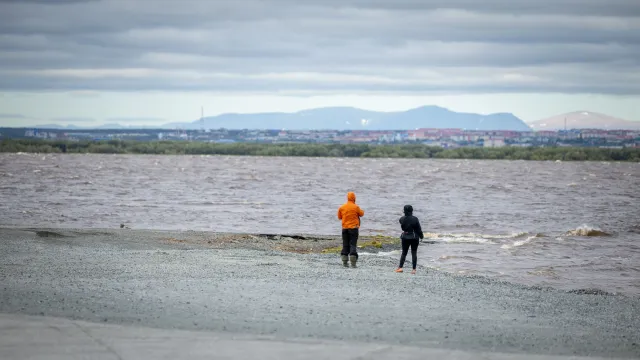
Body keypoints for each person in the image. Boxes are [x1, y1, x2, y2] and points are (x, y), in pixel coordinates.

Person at [337, 192, 364, 268]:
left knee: (345, 244)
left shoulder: (342, 207)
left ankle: (345, 262)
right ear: (354, 198)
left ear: (347, 198)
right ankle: (353, 263)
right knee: (353, 244)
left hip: (345, 228)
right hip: (353, 228)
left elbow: (339, 217)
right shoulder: (356, 207)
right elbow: (361, 214)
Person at [395, 205, 424, 274]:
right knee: (414, 252)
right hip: (414, 237)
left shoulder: (401, 219)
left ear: (404, 211)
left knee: (404, 253)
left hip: (405, 237)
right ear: (412, 211)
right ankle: (413, 270)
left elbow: (403, 227)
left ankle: (400, 268)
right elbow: (419, 229)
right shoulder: (415, 219)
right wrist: (421, 236)